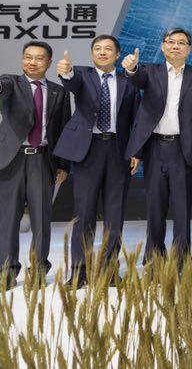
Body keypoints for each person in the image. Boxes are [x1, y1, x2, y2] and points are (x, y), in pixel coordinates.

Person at [0, 41, 70, 289]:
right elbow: (0, 89)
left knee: (42, 220)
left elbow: (63, 129)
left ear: (49, 62)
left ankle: (39, 270)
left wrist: (63, 165)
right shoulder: (12, 82)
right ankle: (7, 273)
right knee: (9, 220)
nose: (32, 62)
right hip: (12, 160)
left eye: (39, 58)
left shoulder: (59, 92)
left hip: (42, 160)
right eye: (28, 57)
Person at [54, 35, 140, 287]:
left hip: (118, 150)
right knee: (84, 213)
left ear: (117, 54)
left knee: (115, 214)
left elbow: (136, 119)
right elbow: (71, 82)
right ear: (92, 53)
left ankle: (110, 271)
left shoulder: (128, 82)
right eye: (98, 49)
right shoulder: (82, 74)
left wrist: (136, 152)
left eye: (108, 49)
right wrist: (66, 71)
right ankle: (78, 272)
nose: (102, 52)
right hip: (88, 150)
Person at [121, 28, 192, 264]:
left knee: (182, 210)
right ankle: (154, 261)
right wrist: (131, 68)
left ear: (189, 49)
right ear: (163, 47)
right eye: (170, 42)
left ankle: (181, 263)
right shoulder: (149, 71)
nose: (175, 46)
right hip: (154, 148)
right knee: (155, 208)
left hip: (184, 149)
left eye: (181, 43)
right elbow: (136, 78)